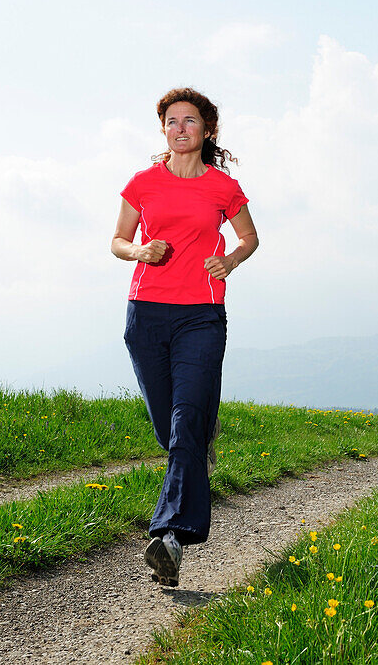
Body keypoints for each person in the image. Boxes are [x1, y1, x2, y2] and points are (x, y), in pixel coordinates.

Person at [111, 87, 258, 586]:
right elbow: (117, 240)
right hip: (146, 317)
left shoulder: (223, 187)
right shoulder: (142, 184)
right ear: (163, 131)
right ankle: (197, 442)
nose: (180, 128)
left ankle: (170, 536)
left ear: (206, 130)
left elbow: (249, 237)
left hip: (201, 315)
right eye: (171, 121)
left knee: (186, 421)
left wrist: (230, 260)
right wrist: (139, 252)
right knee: (171, 430)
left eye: (190, 121)